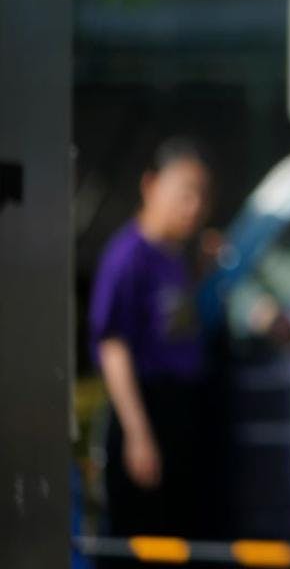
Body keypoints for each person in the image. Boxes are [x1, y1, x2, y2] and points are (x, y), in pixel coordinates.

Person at [88, 137, 214, 548]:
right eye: (184, 193)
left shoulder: (174, 257)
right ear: (151, 185)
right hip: (146, 408)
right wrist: (138, 433)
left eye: (201, 195)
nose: (194, 206)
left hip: (180, 411)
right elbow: (113, 345)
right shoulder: (128, 256)